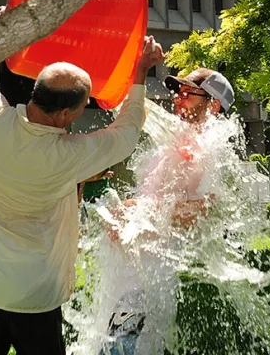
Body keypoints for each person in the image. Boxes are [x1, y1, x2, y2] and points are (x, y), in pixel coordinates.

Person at [0, 0, 165, 354]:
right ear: (66, 113)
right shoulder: (68, 157)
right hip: (33, 295)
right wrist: (140, 71)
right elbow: (126, 133)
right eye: (85, 106)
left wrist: (3, 29)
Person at [100, 67, 235, 355]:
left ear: (212, 104)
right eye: (178, 92)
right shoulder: (173, 145)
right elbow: (153, 200)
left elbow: (205, 209)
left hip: (154, 273)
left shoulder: (213, 148)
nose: (177, 99)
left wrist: (141, 213)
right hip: (132, 267)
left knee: (123, 346)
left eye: (188, 93)